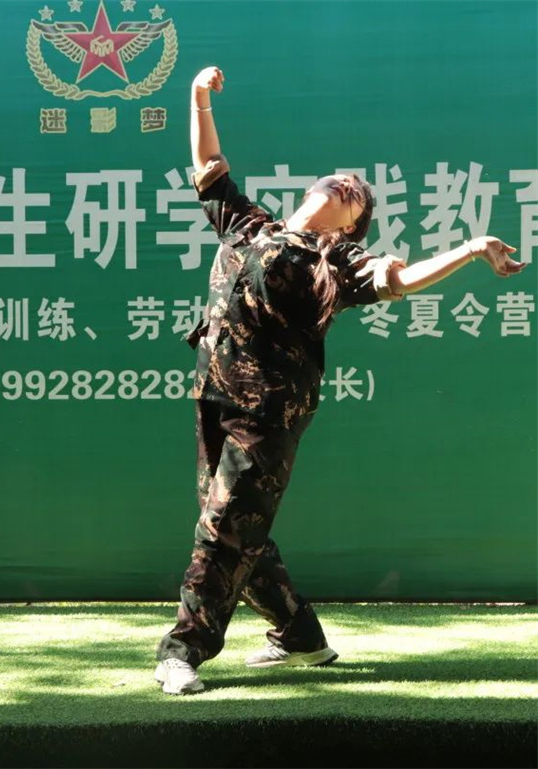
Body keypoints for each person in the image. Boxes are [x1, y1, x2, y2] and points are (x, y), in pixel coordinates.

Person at [155, 66, 526, 695]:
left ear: (351, 225)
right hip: (215, 394)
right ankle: (300, 636)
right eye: (340, 180)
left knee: (222, 529)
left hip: (269, 411)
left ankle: (182, 650)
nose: (344, 184)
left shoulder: (338, 262)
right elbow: (209, 165)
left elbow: (399, 280)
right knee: (239, 526)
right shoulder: (251, 226)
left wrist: (469, 250)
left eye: (356, 195)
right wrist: (196, 97)